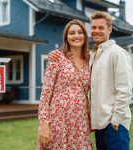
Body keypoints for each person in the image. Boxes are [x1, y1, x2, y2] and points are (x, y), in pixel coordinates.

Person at [48, 11, 132, 150]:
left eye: (101, 28)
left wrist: (115, 120)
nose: (96, 31)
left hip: (115, 126)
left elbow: (125, 90)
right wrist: (54, 54)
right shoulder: (92, 55)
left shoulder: (117, 53)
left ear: (109, 29)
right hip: (99, 127)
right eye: (93, 28)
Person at [37, 19, 92, 150]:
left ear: (85, 35)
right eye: (72, 33)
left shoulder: (89, 60)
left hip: (80, 122)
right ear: (66, 37)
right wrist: (44, 124)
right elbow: (45, 95)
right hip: (58, 120)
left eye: (80, 32)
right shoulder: (57, 58)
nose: (76, 36)